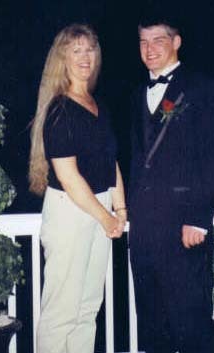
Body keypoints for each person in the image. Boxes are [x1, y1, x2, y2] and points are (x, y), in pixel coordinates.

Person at [128, 15, 214, 353]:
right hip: (143, 232)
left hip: (183, 229)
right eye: (143, 41)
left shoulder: (203, 88)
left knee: (192, 328)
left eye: (158, 39)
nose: (150, 48)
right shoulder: (136, 94)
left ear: (176, 42)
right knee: (153, 328)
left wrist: (200, 218)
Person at [29, 23, 127, 353]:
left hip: (99, 209)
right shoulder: (60, 108)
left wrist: (120, 209)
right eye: (76, 50)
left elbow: (110, 162)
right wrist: (106, 217)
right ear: (63, 59)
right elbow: (69, 177)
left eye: (90, 49)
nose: (86, 56)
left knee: (87, 310)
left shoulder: (96, 104)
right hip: (72, 210)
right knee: (61, 313)